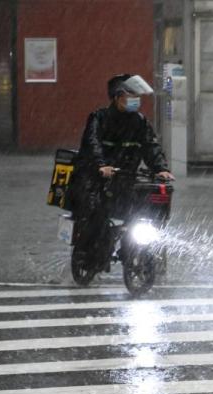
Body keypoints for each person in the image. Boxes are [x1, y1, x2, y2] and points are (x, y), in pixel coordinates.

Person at [71, 74, 175, 262]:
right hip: (97, 179)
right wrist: (101, 165)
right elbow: (92, 143)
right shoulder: (99, 118)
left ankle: (132, 249)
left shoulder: (140, 122)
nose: (135, 101)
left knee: (140, 212)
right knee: (98, 213)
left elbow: (150, 145)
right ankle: (91, 252)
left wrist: (161, 168)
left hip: (125, 179)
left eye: (137, 97)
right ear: (117, 97)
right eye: (130, 97)